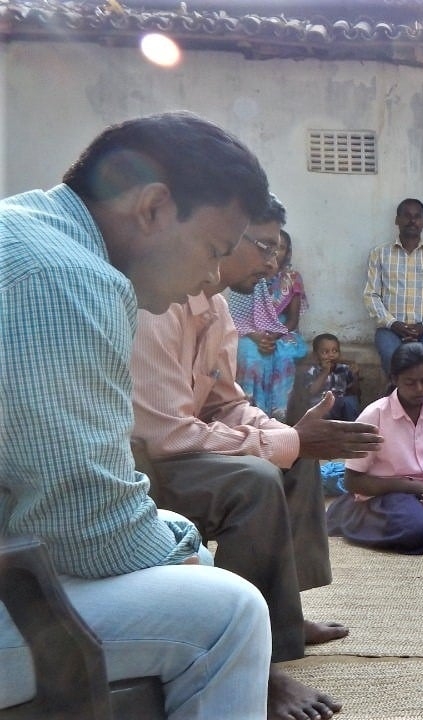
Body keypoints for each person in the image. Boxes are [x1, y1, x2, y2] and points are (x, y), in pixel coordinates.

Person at [0, 112, 273, 717]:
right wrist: (184, 544)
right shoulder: (67, 277)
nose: (212, 279)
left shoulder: (26, 228)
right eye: (213, 250)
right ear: (152, 208)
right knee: (229, 612)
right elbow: (86, 527)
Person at [132, 197, 384, 720]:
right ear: (222, 238)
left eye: (278, 250)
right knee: (255, 478)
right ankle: (256, 665)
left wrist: (291, 436)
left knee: (295, 454)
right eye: (264, 246)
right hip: (146, 465)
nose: (273, 263)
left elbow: (227, 404)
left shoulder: (217, 308)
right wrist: (284, 442)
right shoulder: (155, 307)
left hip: (183, 447)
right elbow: (165, 434)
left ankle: (283, 618)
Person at [326, 342, 423, 554]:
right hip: (388, 496)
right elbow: (352, 480)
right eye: (410, 383)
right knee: (417, 529)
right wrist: (412, 488)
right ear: (394, 379)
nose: (420, 389)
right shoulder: (375, 415)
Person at [364, 197, 423, 396]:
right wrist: (393, 323)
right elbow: (371, 295)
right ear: (397, 220)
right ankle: (401, 401)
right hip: (390, 329)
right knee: (392, 355)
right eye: (406, 216)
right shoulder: (380, 254)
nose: (412, 221)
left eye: (417, 217)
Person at [227, 210, 309, 421]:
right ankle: (250, 410)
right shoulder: (251, 274)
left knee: (282, 356)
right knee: (249, 354)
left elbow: (292, 320)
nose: (276, 254)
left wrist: (274, 335)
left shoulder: (292, 277)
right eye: (272, 248)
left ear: (288, 252)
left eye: (281, 248)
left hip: (282, 331)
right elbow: (240, 314)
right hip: (249, 328)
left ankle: (277, 414)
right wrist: (257, 336)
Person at [290, 332, 362, 423]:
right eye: (325, 352)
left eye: (335, 351)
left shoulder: (344, 369)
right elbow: (311, 392)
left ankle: (353, 430)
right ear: (316, 355)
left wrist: (355, 375)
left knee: (351, 400)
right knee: (318, 406)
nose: (331, 355)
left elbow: (354, 392)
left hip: (339, 405)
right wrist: (325, 372)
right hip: (321, 407)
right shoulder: (313, 370)